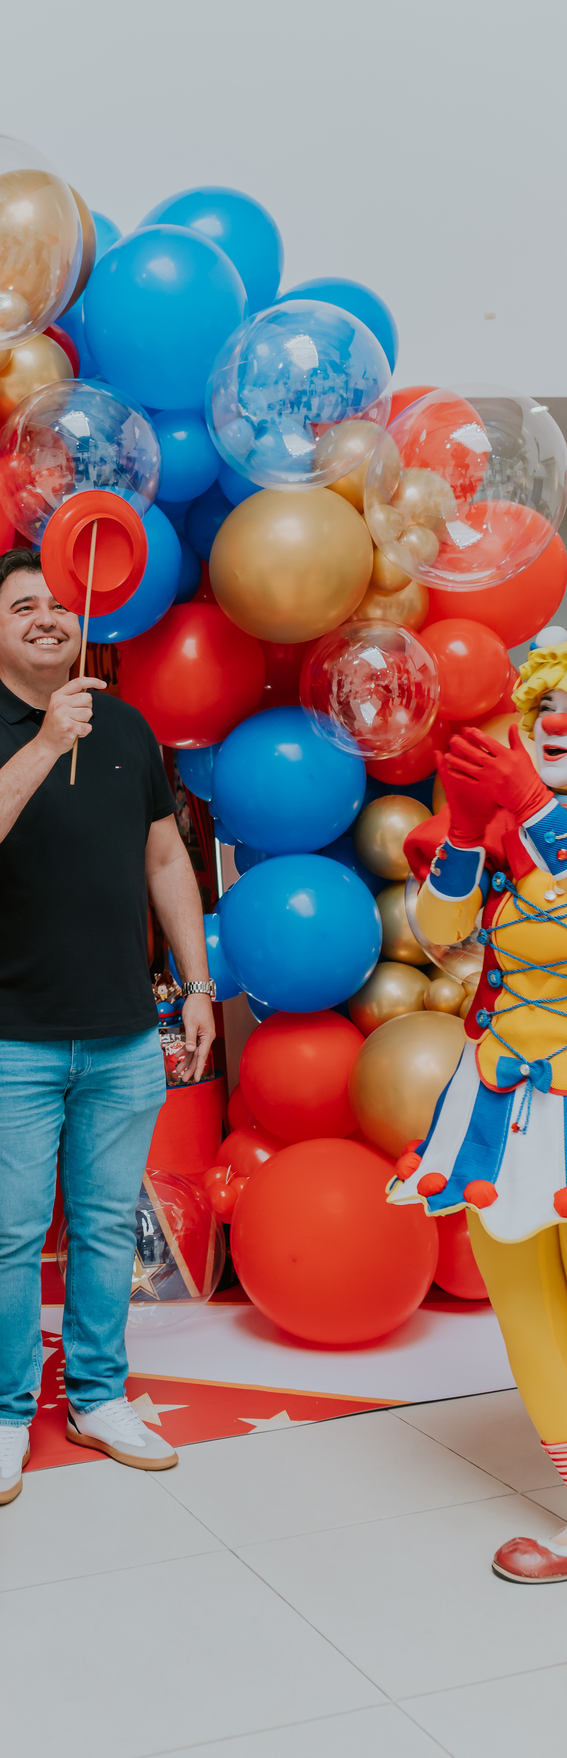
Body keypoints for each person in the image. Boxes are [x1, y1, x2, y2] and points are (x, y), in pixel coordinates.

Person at [0, 547, 216, 1506]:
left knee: (104, 1226)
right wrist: (46, 741)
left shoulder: (126, 725)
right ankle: (3, 1412)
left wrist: (197, 983)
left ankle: (97, 1397)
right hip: (4, 1036)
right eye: (23, 606)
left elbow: (164, 859)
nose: (47, 616)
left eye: (58, 602)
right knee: (6, 1234)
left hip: (123, 1033)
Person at [391, 636, 567, 1583]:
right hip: (503, 1103)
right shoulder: (507, 826)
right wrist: (465, 830)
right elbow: (443, 932)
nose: (558, 724)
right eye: (546, 710)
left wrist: (535, 810)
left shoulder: (537, 818)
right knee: (527, 1310)